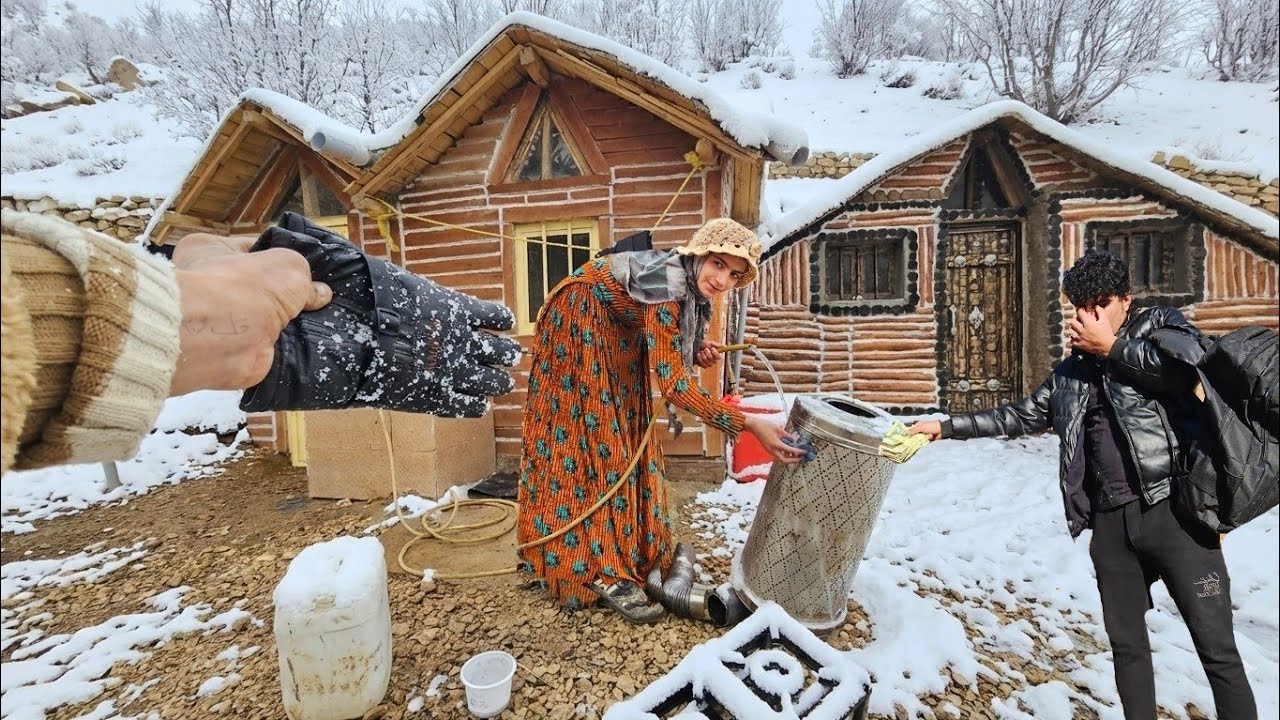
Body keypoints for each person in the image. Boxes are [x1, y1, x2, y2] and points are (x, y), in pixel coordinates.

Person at [908, 251, 1256, 720]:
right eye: (1079, 306)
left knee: (1218, 653)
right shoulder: (1071, 374)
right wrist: (945, 427)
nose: (1087, 315)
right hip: (1112, 530)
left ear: (1125, 301)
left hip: (1176, 517)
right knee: (1128, 649)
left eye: (1100, 302)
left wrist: (1110, 347)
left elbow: (1191, 365)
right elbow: (1021, 415)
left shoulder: (1159, 328)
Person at [516, 218, 805, 624]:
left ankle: (629, 548)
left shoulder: (687, 289)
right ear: (698, 254)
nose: (722, 279)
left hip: (616, 328)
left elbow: (666, 335)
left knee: (629, 428)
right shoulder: (667, 284)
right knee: (597, 441)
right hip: (577, 320)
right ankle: (591, 566)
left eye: (734, 274)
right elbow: (673, 386)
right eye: (717, 264)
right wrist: (747, 424)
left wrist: (696, 345)